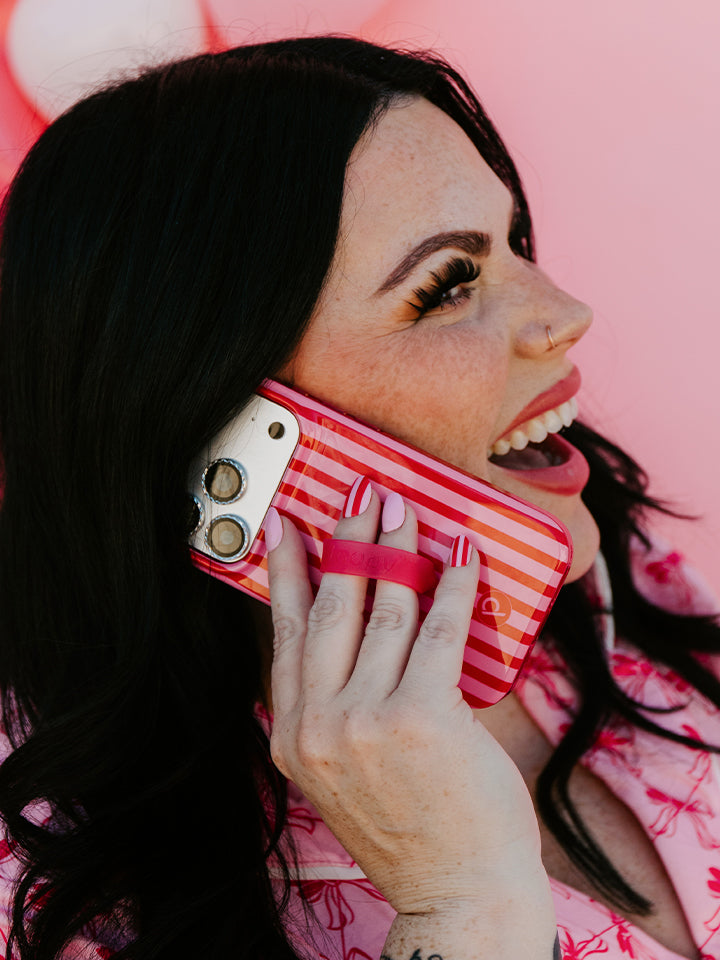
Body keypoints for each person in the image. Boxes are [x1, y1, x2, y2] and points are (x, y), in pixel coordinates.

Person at [0, 35, 717, 960]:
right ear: (221, 428)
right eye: (449, 283)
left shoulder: (617, 573)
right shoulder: (61, 889)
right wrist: (458, 912)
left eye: (515, 244)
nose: (566, 312)